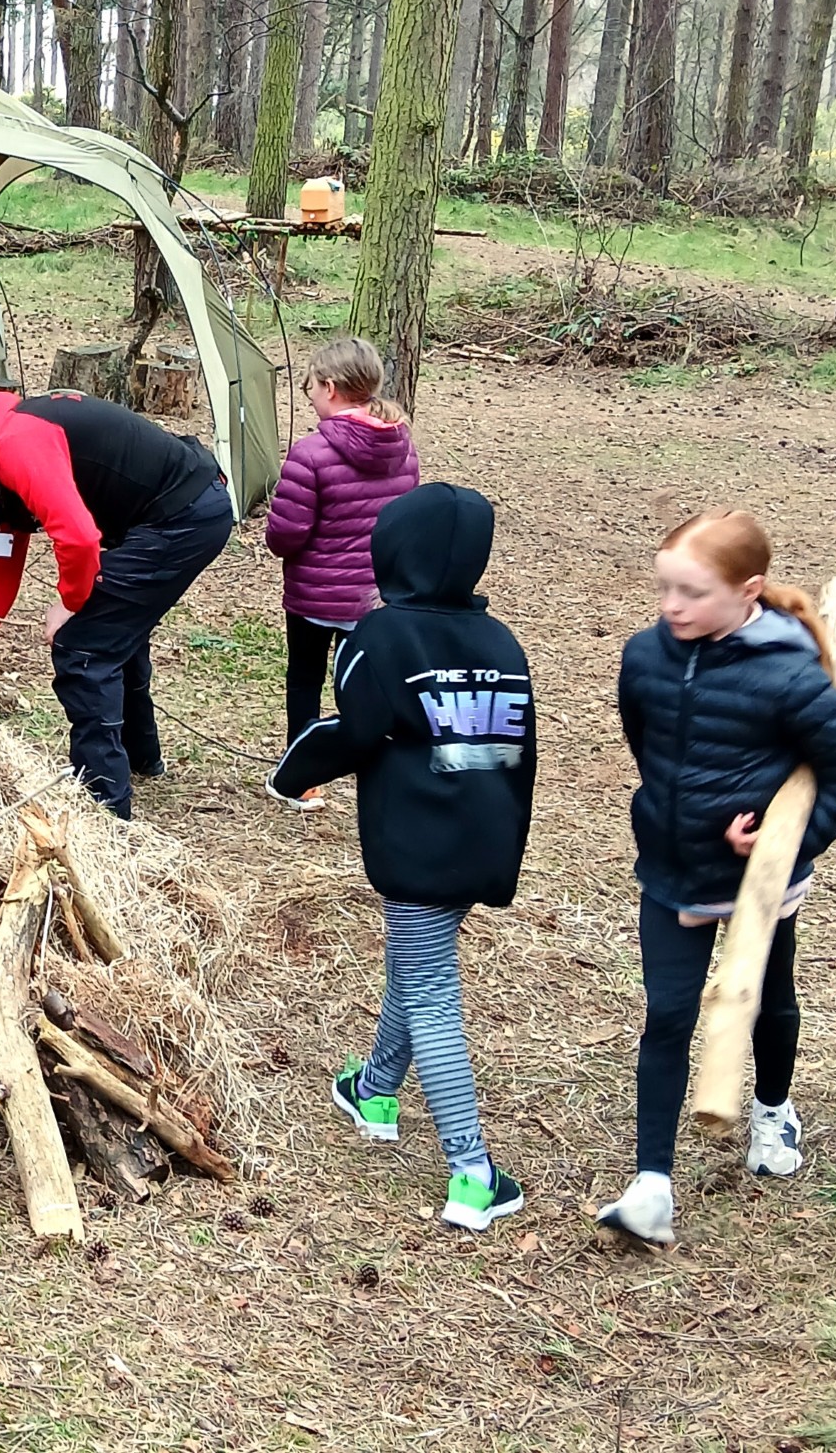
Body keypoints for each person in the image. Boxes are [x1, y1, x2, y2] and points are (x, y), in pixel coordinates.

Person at [596, 509, 836, 1246]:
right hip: (671, 867)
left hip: (760, 881)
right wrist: (673, 814)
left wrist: (781, 843)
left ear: (748, 590)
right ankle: (651, 1182)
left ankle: (772, 1107)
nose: (671, 606)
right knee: (666, 1014)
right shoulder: (645, 655)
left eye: (691, 592)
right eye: (664, 588)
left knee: (766, 997)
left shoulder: (788, 673)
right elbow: (646, 742)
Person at [271, 482, 536, 1231]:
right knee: (415, 967)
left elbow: (354, 731)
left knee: (428, 989)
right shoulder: (503, 644)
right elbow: (525, 753)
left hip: (417, 842)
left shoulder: (377, 638)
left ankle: (472, 1172)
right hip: (483, 838)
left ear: (394, 551)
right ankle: (376, 1090)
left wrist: (291, 773)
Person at [0, 389, 236, 819]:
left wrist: (70, 603)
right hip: (160, 514)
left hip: (183, 515)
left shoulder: (18, 445)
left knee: (85, 644)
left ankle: (103, 805)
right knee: (115, 631)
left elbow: (78, 537)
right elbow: (1, 573)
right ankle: (140, 757)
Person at [263, 335, 418, 808]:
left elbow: (284, 536)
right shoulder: (402, 445)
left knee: (305, 677)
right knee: (362, 685)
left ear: (330, 388)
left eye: (310, 385)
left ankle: (302, 776)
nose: (308, 393)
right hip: (374, 598)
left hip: (315, 595)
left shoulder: (310, 453)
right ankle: (374, 767)